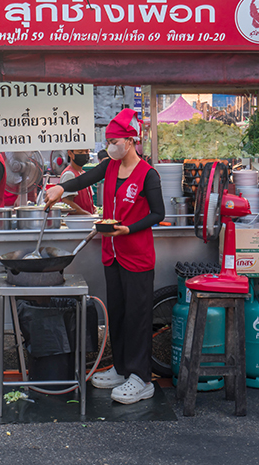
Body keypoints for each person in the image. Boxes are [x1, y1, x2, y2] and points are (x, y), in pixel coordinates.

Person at [45, 108, 165, 404]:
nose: (110, 145)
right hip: (112, 255)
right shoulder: (109, 166)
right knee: (119, 313)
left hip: (136, 255)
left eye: (114, 139)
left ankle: (142, 378)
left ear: (130, 140)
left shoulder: (148, 174)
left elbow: (158, 213)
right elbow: (84, 180)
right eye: (108, 139)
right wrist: (60, 187)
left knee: (138, 317)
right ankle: (123, 369)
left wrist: (128, 229)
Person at [58, 148, 95, 215]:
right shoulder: (69, 174)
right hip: (76, 222)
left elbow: (88, 199)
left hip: (86, 222)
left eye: (86, 151)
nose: (84, 154)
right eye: (80, 152)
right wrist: (86, 214)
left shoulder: (83, 173)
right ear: (70, 153)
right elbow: (67, 201)